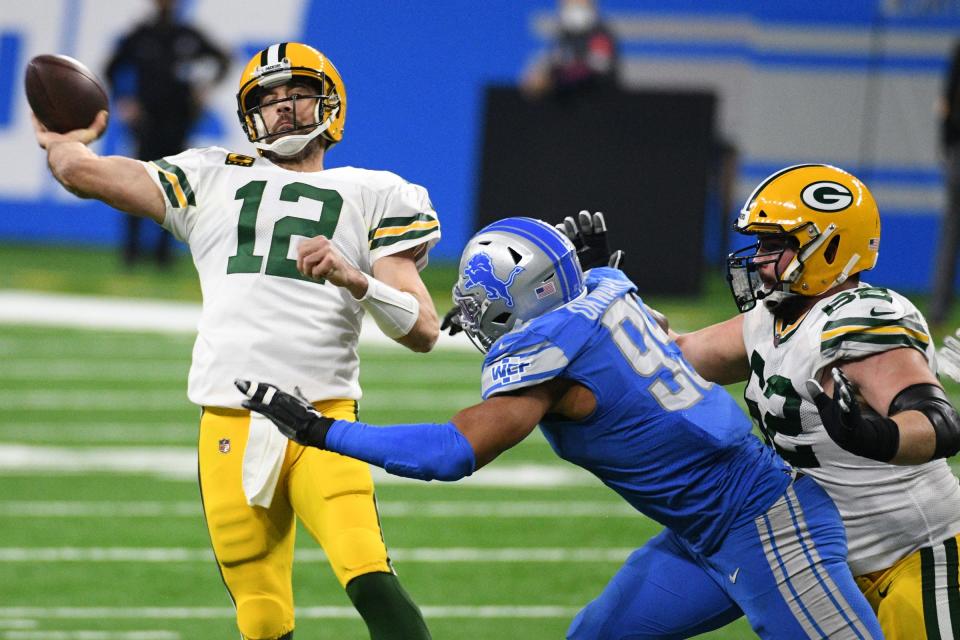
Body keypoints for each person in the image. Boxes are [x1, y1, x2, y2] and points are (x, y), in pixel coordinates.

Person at [238, 216, 883, 639]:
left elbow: (451, 451)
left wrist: (323, 432)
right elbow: (648, 332)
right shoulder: (606, 285)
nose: (472, 314)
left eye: (480, 300)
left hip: (768, 526)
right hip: (702, 530)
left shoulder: (547, 356)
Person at [33, 42, 437, 640]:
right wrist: (65, 139)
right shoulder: (208, 174)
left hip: (320, 419)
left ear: (329, 103)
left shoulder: (376, 192)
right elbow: (84, 172)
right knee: (261, 614)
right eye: (268, 100)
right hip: (229, 420)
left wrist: (354, 278)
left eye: (297, 92)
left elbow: (423, 329)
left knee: (370, 576)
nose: (284, 108)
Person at [673, 164, 960, 639]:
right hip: (828, 568)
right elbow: (672, 358)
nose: (759, 259)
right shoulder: (772, 317)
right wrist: (600, 302)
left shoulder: (861, 317)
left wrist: (876, 434)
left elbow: (936, 422)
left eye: (773, 244)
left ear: (828, 245)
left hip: (912, 556)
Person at [105, 0, 230, 268]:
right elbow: (112, 68)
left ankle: (164, 255)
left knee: (173, 186)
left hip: (178, 122)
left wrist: (204, 89)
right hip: (147, 123)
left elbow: (222, 59)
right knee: (137, 182)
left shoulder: (187, 36)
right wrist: (124, 100)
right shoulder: (141, 35)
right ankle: (131, 252)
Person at [520, 0, 619, 99]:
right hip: (566, 104)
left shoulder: (601, 32)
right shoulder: (563, 34)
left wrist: (562, 72)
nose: (570, 4)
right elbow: (551, 63)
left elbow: (599, 69)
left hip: (597, 102)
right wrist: (542, 76)